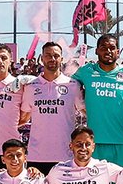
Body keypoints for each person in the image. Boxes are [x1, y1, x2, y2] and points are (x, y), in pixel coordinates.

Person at [72, 31, 123, 169]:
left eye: (112, 48)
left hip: (122, 141)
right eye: (104, 48)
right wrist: (83, 109)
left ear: (118, 52)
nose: (108, 51)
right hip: (94, 143)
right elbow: (68, 86)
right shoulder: (86, 71)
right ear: (97, 51)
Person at [17, 41, 81, 171]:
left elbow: (87, 112)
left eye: (56, 55)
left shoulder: (73, 85)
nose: (52, 58)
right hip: (37, 158)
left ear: (62, 59)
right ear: (41, 59)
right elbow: (23, 118)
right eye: (48, 55)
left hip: (66, 157)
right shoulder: (30, 86)